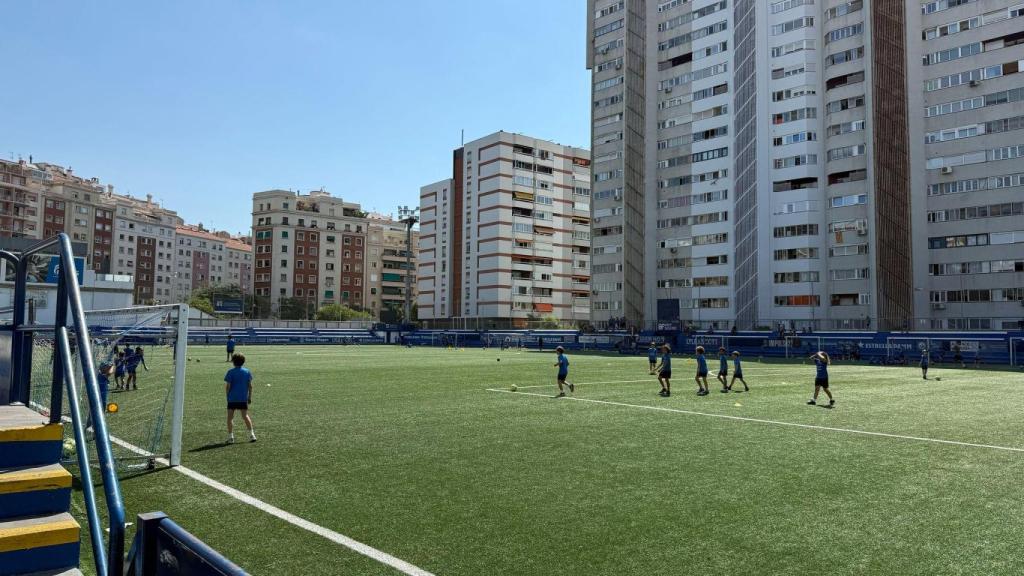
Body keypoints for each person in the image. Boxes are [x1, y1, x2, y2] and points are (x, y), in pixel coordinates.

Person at [225, 353, 256, 443]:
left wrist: (227, 396)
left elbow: (228, 387)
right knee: (245, 416)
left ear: (233, 362)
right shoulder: (247, 372)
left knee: (230, 418)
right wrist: (249, 397)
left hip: (232, 398)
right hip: (243, 398)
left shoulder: (230, 372)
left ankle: (231, 437)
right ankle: (252, 435)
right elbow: (250, 386)